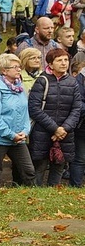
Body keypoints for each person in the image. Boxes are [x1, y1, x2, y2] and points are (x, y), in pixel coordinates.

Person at [28, 49, 81, 186]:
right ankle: (36, 197)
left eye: (66, 60)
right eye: (59, 60)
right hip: (43, 131)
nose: (64, 63)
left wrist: (64, 128)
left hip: (65, 133)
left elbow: (76, 109)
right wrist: (55, 128)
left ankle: (53, 196)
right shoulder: (42, 81)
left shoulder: (72, 82)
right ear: (50, 64)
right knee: (39, 167)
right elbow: (34, 108)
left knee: (59, 166)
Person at [0, 54, 36, 187]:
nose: (19, 70)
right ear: (4, 71)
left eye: (19, 67)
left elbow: (25, 113)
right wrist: (11, 135)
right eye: (15, 67)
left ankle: (33, 197)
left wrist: (25, 131)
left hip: (19, 137)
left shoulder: (20, 88)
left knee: (28, 171)